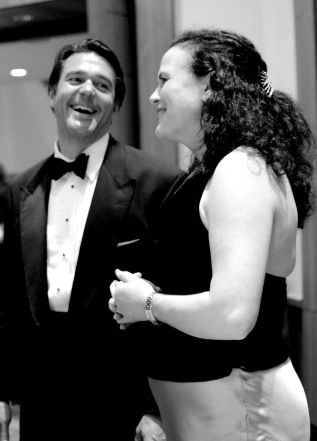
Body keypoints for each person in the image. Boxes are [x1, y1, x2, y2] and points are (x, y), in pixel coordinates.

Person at [109, 29, 314, 441]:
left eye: (165, 80)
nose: (153, 95)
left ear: (209, 83)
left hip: (240, 410)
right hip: (214, 408)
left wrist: (146, 303)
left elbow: (232, 316)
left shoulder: (241, 169)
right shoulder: (222, 166)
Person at [0, 38, 184, 441]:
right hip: (42, 400)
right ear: (53, 93)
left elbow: (174, 304)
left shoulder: (158, 182)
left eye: (103, 85)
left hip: (123, 401)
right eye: (76, 79)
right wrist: (0, 393)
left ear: (116, 105)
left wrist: (155, 409)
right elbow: (11, 303)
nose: (88, 90)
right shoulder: (19, 188)